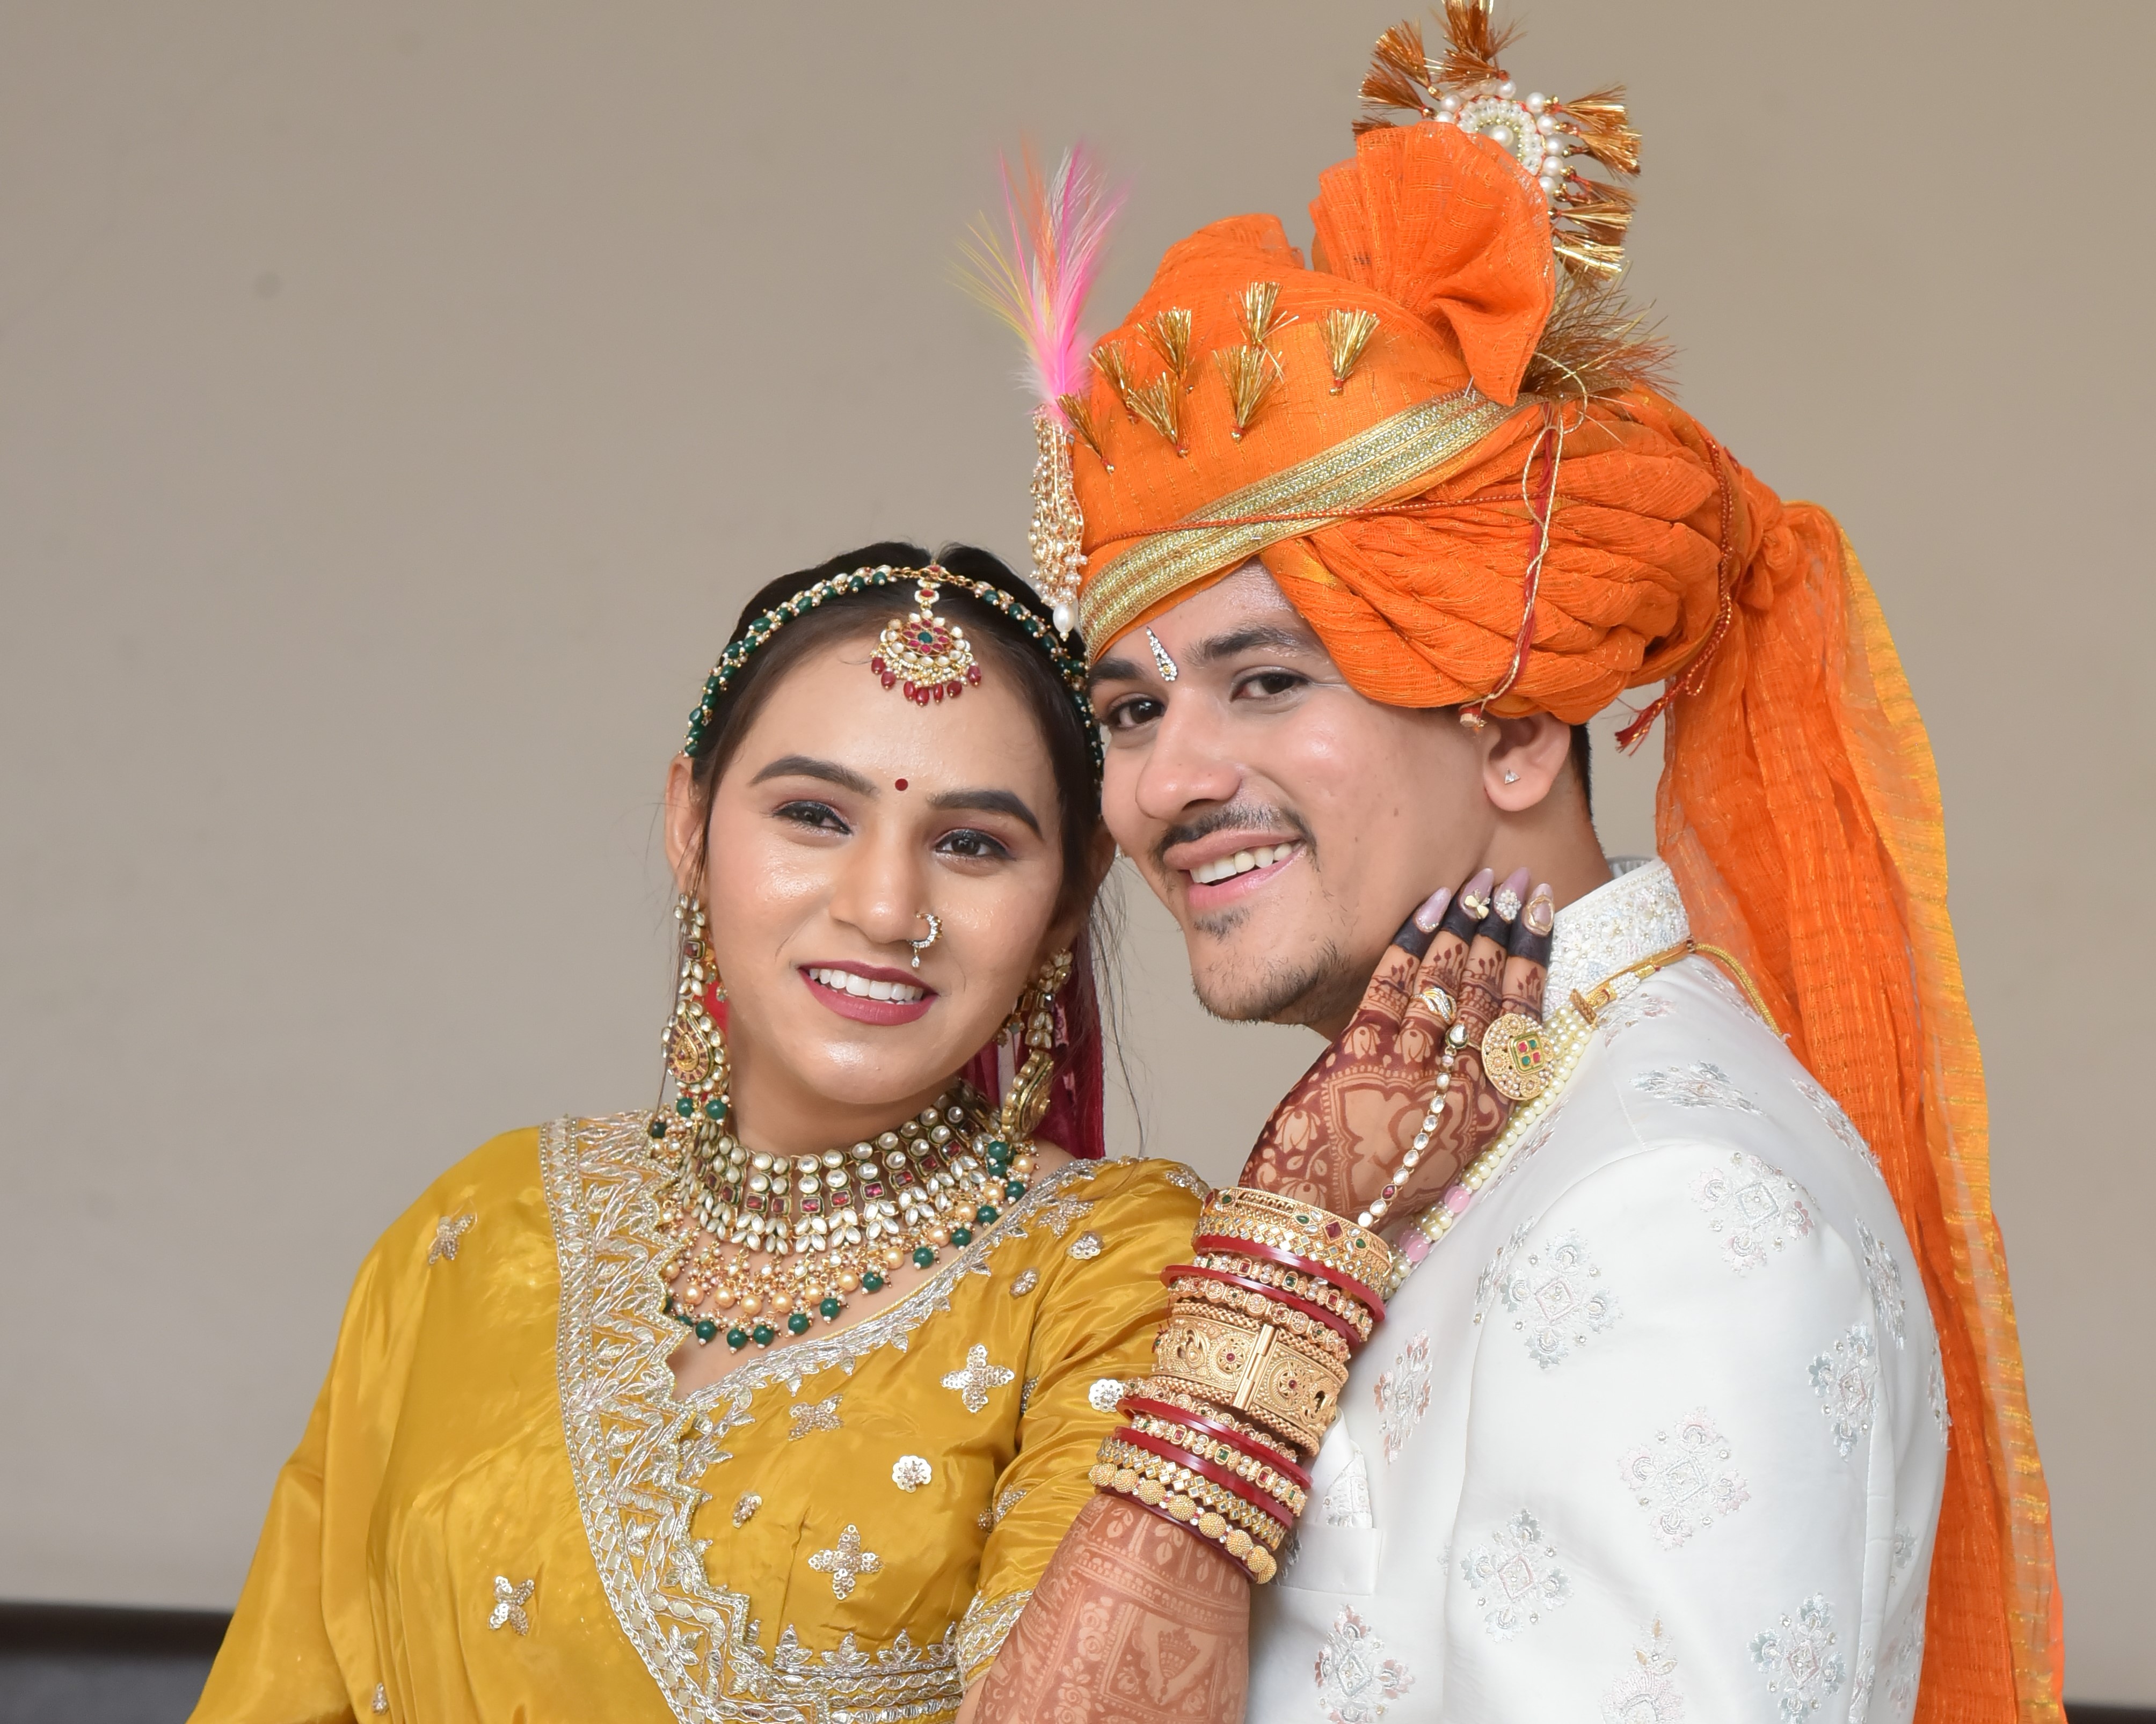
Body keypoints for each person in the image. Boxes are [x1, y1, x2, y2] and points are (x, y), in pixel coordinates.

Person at [961, 9, 2063, 1723]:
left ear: (1517, 730)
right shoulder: (1464, 1127)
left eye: (1267, 680)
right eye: (1127, 704)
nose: (1167, 780)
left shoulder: (1671, 1203)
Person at [190, 542, 1210, 1724]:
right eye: (813, 814)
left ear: (1070, 897)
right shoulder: (484, 1226)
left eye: (971, 843)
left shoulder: (1115, 1273)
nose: (884, 907)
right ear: (690, 823)